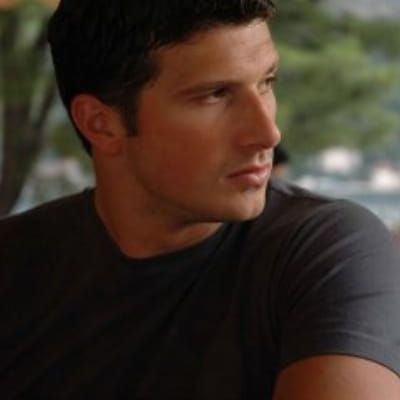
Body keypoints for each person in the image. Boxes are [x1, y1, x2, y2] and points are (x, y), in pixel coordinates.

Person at [1, 0, 400, 398]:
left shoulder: (323, 249)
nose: (267, 133)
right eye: (215, 94)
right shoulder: (15, 264)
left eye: (267, 82)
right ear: (100, 124)